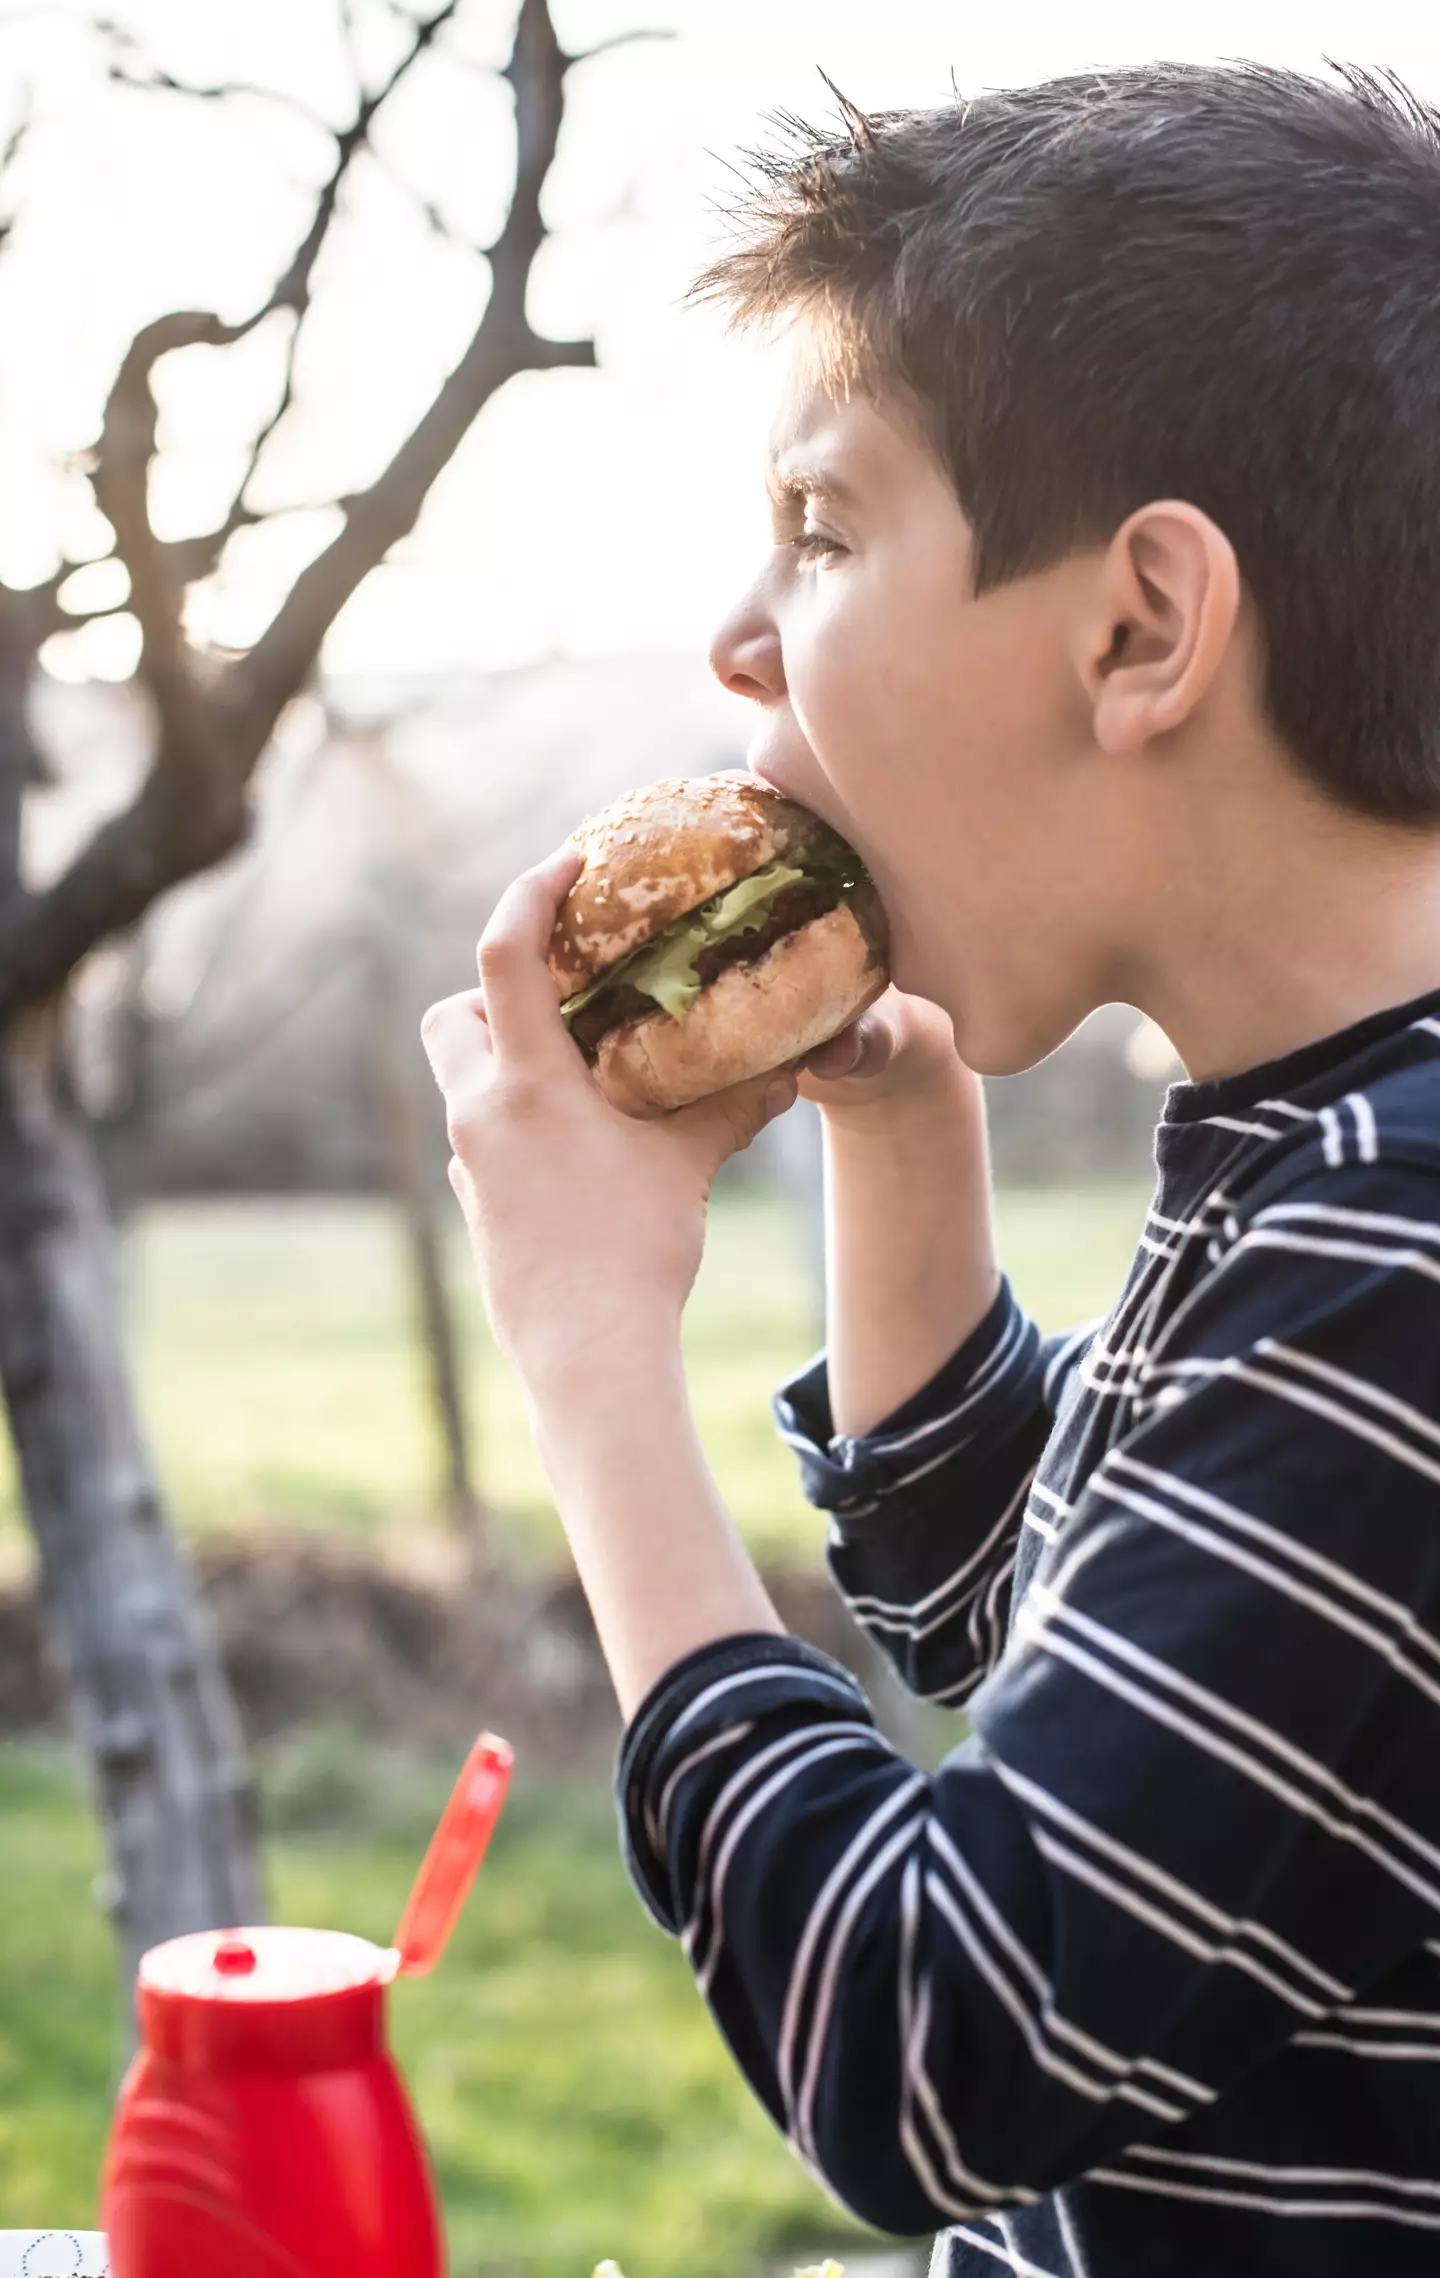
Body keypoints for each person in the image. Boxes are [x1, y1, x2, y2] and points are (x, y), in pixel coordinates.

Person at [421, 60, 1440, 2278]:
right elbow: (1045, 1627)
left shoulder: (1394, 1242)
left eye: (822, 528)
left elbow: (930, 2035)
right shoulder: (1331, 1151)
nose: (738, 638)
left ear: (1141, 629)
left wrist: (594, 1356)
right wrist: (902, 1130)